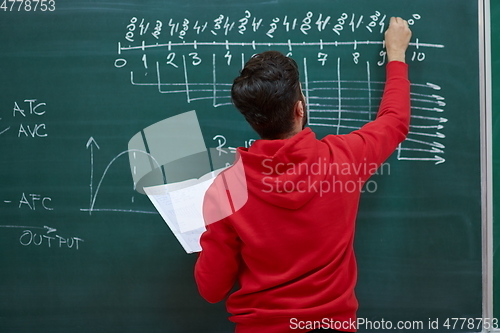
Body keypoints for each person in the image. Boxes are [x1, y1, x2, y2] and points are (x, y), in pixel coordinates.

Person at [195, 17, 412, 333]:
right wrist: (396, 56)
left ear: (253, 120)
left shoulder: (226, 190)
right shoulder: (344, 159)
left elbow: (211, 290)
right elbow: (394, 121)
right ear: (300, 108)